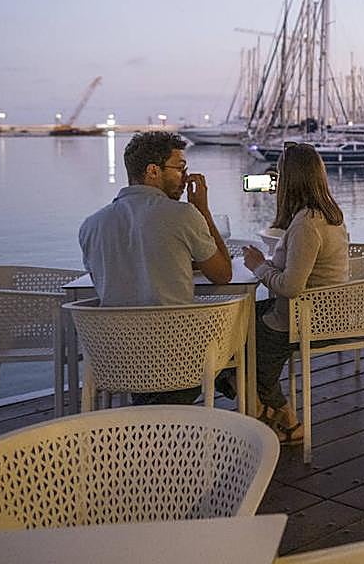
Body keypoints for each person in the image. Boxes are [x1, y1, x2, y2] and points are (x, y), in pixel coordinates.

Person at [78, 130, 231, 405]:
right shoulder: (183, 215)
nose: (185, 178)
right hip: (179, 360)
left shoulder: (91, 225)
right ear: (152, 171)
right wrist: (203, 211)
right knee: (244, 333)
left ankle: (148, 416)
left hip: (116, 360)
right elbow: (222, 274)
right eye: (180, 169)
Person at [236, 143, 348, 443]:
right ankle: (262, 408)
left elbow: (292, 287)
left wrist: (259, 267)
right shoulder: (327, 214)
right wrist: (270, 263)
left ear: (290, 180)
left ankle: (282, 415)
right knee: (235, 322)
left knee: (234, 341)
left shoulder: (306, 224)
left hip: (305, 319)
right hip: (326, 311)